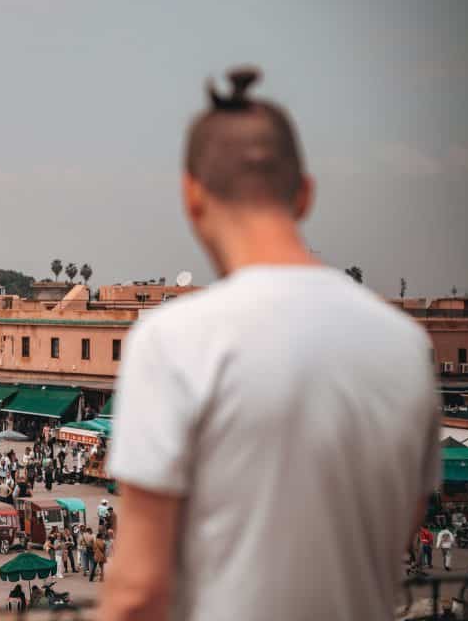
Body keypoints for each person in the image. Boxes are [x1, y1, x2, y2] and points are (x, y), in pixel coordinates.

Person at [101, 67, 439, 621]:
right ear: (304, 194)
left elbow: (138, 590)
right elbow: (400, 533)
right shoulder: (405, 346)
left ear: (192, 195)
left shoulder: (174, 340)